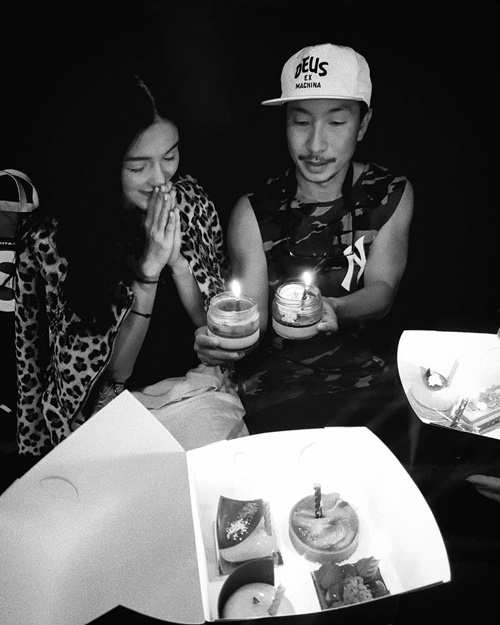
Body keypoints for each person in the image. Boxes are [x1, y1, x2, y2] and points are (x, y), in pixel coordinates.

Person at [14, 71, 228, 457]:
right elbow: (110, 373)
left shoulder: (190, 201)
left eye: (170, 156)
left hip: (195, 392)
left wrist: (178, 261)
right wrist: (148, 273)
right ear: (107, 162)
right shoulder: (55, 239)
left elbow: (212, 322)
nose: (160, 178)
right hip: (105, 414)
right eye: (138, 167)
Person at [195, 43, 414, 416]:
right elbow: (254, 322)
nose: (315, 144)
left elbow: (382, 290)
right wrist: (222, 342)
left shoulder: (389, 193)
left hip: (369, 385)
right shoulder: (253, 211)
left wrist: (335, 307)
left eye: (336, 122)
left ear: (362, 124)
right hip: (278, 390)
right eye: (301, 122)